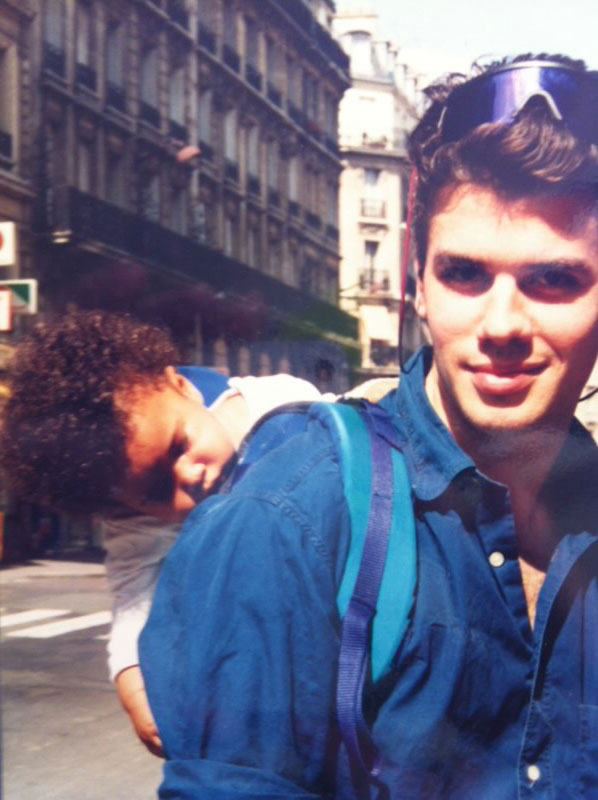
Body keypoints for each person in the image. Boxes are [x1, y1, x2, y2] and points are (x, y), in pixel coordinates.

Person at [134, 55, 598, 798]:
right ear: (417, 285)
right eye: (465, 275)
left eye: (555, 280)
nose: (502, 324)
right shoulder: (290, 517)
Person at [0, 310, 340, 756]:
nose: (190, 476)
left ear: (180, 386)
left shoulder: (278, 402)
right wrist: (133, 685)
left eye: (179, 445)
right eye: (158, 489)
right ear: (123, 506)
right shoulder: (138, 522)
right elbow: (133, 601)